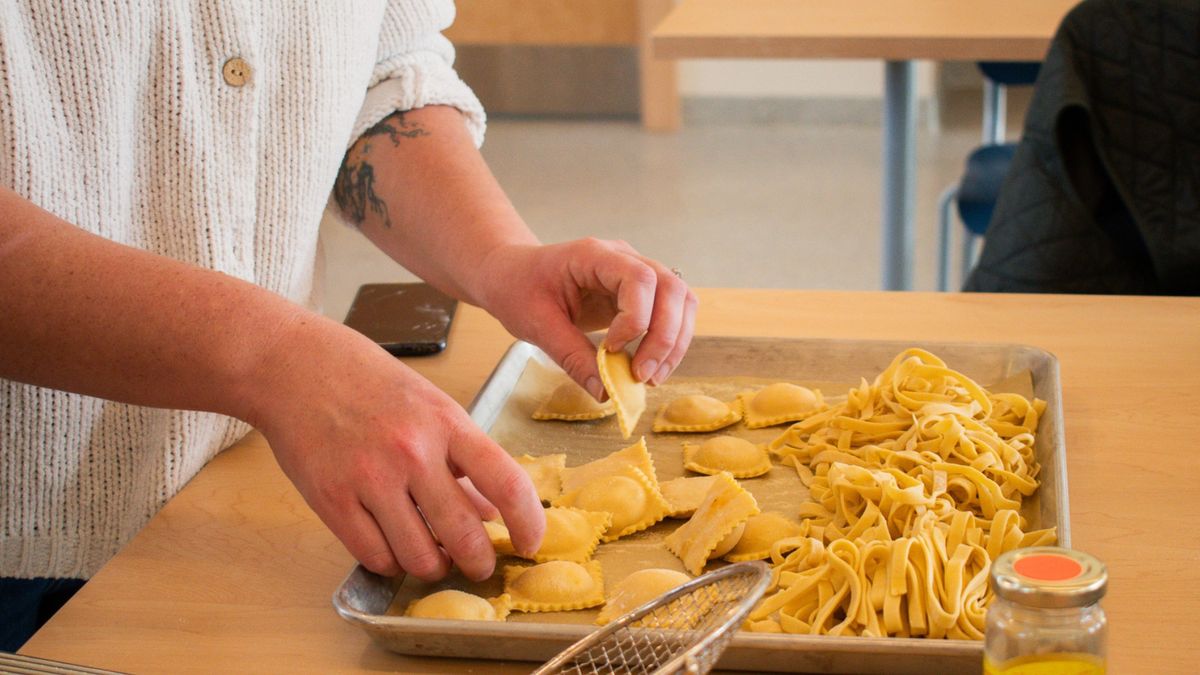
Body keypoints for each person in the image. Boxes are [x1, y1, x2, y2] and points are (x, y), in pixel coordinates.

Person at [0, 1, 697, 651]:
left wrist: (495, 255)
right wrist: (275, 357)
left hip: (242, 499)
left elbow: (378, 71)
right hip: (22, 551)